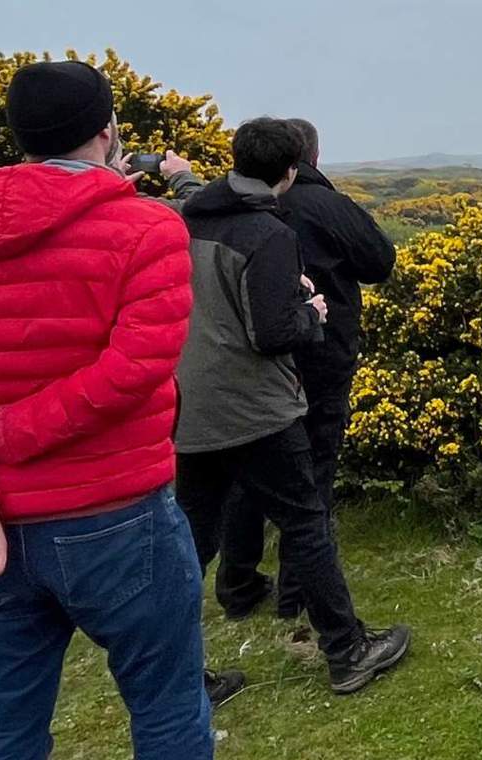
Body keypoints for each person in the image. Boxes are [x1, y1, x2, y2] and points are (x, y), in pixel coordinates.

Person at [0, 60, 220, 759]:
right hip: (120, 520)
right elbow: (135, 369)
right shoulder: (147, 230)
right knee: (168, 709)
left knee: (8, 726)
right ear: (108, 130)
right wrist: (6, 435)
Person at [174, 117, 411, 695]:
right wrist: (314, 314)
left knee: (191, 538)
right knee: (306, 517)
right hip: (256, 403)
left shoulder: (187, 217)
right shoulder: (268, 232)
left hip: (193, 402)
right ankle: (347, 649)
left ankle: (175, 667)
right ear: (293, 168)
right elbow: (273, 331)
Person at [216, 117, 397, 621]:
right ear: (306, 160)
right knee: (311, 469)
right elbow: (380, 261)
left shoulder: (222, 209)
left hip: (246, 358)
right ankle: (297, 593)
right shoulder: (324, 204)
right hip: (318, 354)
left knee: (246, 470)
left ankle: (239, 584)